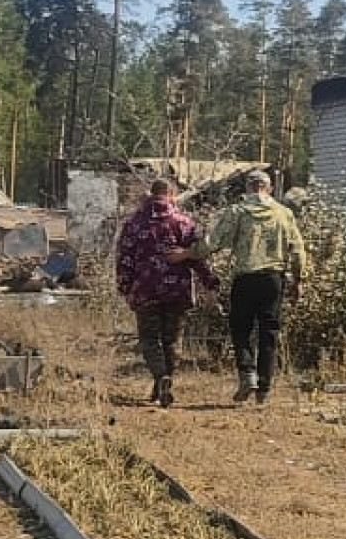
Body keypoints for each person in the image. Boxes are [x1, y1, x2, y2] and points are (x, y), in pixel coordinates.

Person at [172, 169, 306, 405]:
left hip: (245, 278)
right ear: (270, 188)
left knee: (240, 328)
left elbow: (213, 242)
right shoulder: (284, 214)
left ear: (248, 187)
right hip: (274, 279)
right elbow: (297, 251)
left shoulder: (237, 212)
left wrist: (187, 254)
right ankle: (264, 387)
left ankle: (247, 374)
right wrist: (298, 280)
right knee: (269, 332)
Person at [115, 180, 216, 407]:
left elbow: (124, 259)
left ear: (151, 194)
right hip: (176, 291)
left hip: (145, 290)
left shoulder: (133, 224)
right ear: (171, 194)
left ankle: (160, 378)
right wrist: (210, 283)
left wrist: (124, 287)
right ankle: (164, 381)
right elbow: (198, 257)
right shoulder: (184, 223)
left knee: (150, 339)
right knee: (171, 341)